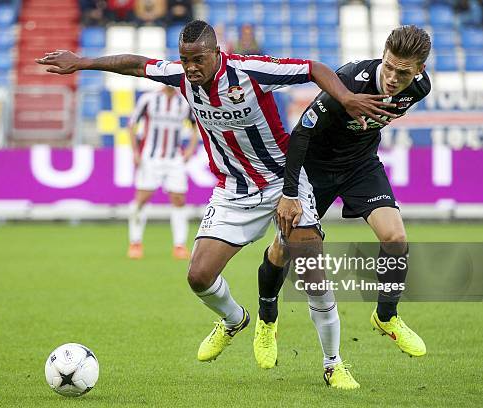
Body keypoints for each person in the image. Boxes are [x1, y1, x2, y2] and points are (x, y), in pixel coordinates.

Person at [36, 19, 395, 389]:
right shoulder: (179, 77)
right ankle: (234, 319)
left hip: (281, 183)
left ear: (216, 53)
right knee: (198, 276)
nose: (190, 67)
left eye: (198, 59)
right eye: (184, 59)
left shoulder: (251, 71)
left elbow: (314, 69)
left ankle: (333, 363)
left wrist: (346, 98)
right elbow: (135, 64)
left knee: (312, 274)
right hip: (232, 191)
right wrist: (81, 61)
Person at [272, 25, 431, 360]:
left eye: (403, 73)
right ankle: (266, 318)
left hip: (360, 166)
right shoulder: (348, 82)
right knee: (282, 250)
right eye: (388, 66)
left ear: (420, 71)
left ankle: (386, 317)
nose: (392, 77)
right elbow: (301, 133)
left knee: (396, 238)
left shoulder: (419, 89)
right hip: (314, 169)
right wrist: (290, 192)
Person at [127, 85, 199, 260]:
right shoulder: (149, 98)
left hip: (174, 158)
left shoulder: (184, 101)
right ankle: (135, 242)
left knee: (179, 199)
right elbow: (132, 125)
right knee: (142, 198)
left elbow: (197, 125)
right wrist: (135, 151)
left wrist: (190, 149)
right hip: (150, 157)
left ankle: (179, 245)